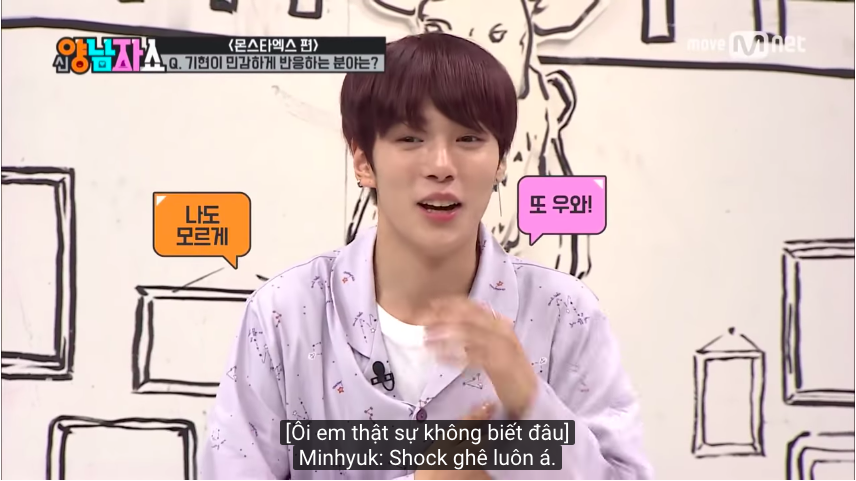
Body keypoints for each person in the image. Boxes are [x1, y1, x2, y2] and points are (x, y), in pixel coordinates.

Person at [201, 32, 652, 480]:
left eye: (469, 138)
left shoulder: (564, 313)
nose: (441, 166)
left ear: (501, 161)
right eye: (410, 138)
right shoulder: (285, 314)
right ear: (363, 161)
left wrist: (531, 401)